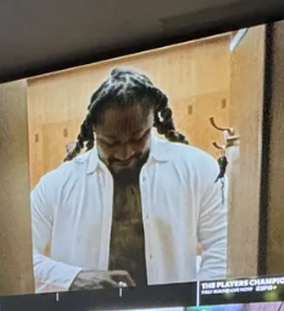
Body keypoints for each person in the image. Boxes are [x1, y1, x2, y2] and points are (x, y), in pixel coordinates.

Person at [29, 67, 228, 292]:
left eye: (137, 138)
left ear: (152, 122)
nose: (125, 153)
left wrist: (195, 305)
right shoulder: (56, 185)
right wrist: (72, 279)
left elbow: (225, 246)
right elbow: (15, 259)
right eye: (111, 142)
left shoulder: (198, 169)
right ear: (94, 130)